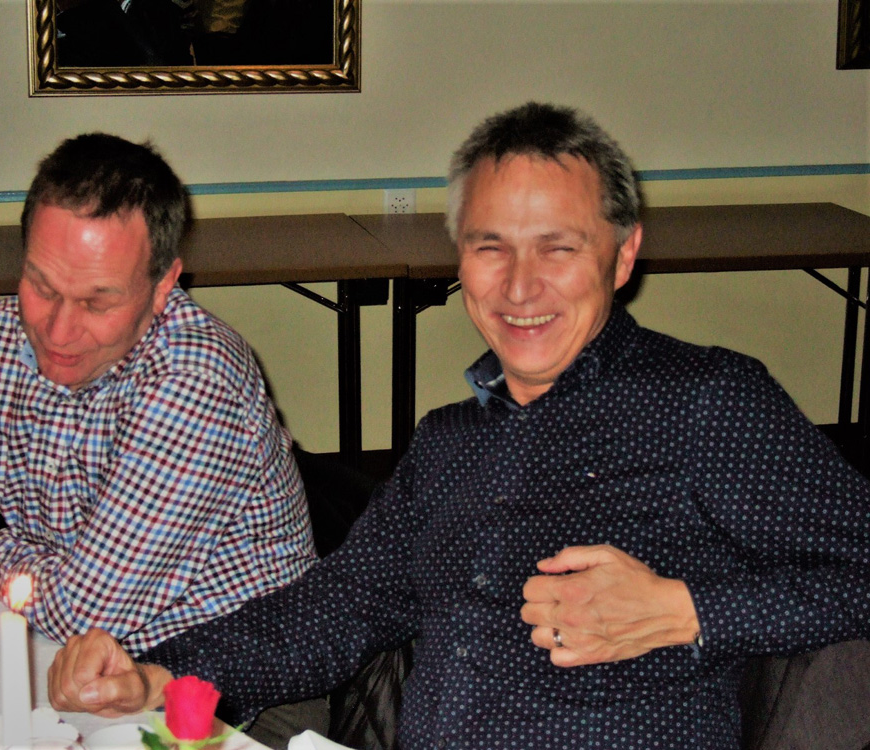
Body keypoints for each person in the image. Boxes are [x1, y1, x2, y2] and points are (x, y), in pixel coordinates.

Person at [45, 104, 870, 749]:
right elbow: (338, 608)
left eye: (558, 248)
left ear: (622, 255)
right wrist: (158, 674)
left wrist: (685, 611)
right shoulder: (448, 444)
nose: (519, 286)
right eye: (489, 247)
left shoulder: (702, 402)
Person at [0, 133, 317, 657]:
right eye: (42, 287)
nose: (57, 332)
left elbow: (83, 615)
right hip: (71, 653)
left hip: (227, 675)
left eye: (97, 302)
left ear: (163, 285)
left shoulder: (196, 381)